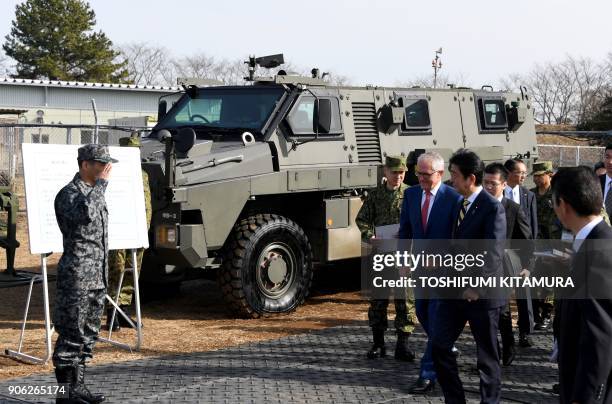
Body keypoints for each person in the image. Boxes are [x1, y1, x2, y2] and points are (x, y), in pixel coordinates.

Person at [432, 149, 506, 404]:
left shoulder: (492, 208)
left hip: (481, 296)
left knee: (486, 357)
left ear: (470, 178)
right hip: (453, 292)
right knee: (439, 346)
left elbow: (493, 253)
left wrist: (477, 287)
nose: (451, 180)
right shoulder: (457, 203)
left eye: (454, 175)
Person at [53, 144, 118, 404]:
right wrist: (101, 186)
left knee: (88, 336)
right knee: (71, 335)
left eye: (106, 164)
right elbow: (85, 216)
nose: (105, 168)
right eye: (101, 163)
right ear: (85, 165)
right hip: (77, 277)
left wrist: (98, 188)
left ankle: (78, 389)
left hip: (97, 278)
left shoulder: (93, 193)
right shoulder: (69, 194)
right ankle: (64, 395)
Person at [399, 151, 461, 394]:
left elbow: (459, 238)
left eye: (426, 175)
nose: (421, 179)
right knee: (423, 314)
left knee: (436, 318)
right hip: (419, 269)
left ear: (440, 173)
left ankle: (427, 373)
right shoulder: (411, 194)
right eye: (418, 174)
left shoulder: (453, 199)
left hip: (444, 271)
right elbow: (406, 231)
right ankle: (445, 345)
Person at [552, 166, 612, 404]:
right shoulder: (595, 241)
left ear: (563, 205)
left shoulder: (599, 253)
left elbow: (601, 335)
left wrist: (584, 397)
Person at [356, 155, 416, 362]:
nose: (398, 176)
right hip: (381, 254)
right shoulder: (375, 195)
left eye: (401, 173)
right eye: (394, 172)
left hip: (404, 255)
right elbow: (362, 219)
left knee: (405, 300)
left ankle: (403, 345)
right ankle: (378, 344)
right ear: (385, 172)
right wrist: (368, 236)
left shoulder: (411, 194)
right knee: (378, 300)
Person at [483, 163, 534, 367]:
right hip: (479, 266)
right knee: (484, 313)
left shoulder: (513, 209)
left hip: (503, 268)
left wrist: (528, 266)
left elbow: (527, 240)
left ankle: (508, 344)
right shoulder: (476, 206)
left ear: (503, 184)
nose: (487, 187)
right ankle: (488, 352)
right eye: (485, 182)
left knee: (501, 310)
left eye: (492, 184)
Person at [106, 136, 152, 331]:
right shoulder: (112, 174)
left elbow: (147, 204)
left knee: (132, 271)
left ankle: (123, 310)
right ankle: (111, 314)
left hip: (137, 231)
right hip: (118, 230)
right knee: (115, 270)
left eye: (137, 151)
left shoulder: (142, 174)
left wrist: (145, 228)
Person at [504, 158, 538, 239]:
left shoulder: (529, 195)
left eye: (525, 173)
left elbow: (533, 223)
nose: (524, 176)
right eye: (521, 173)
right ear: (508, 173)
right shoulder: (496, 193)